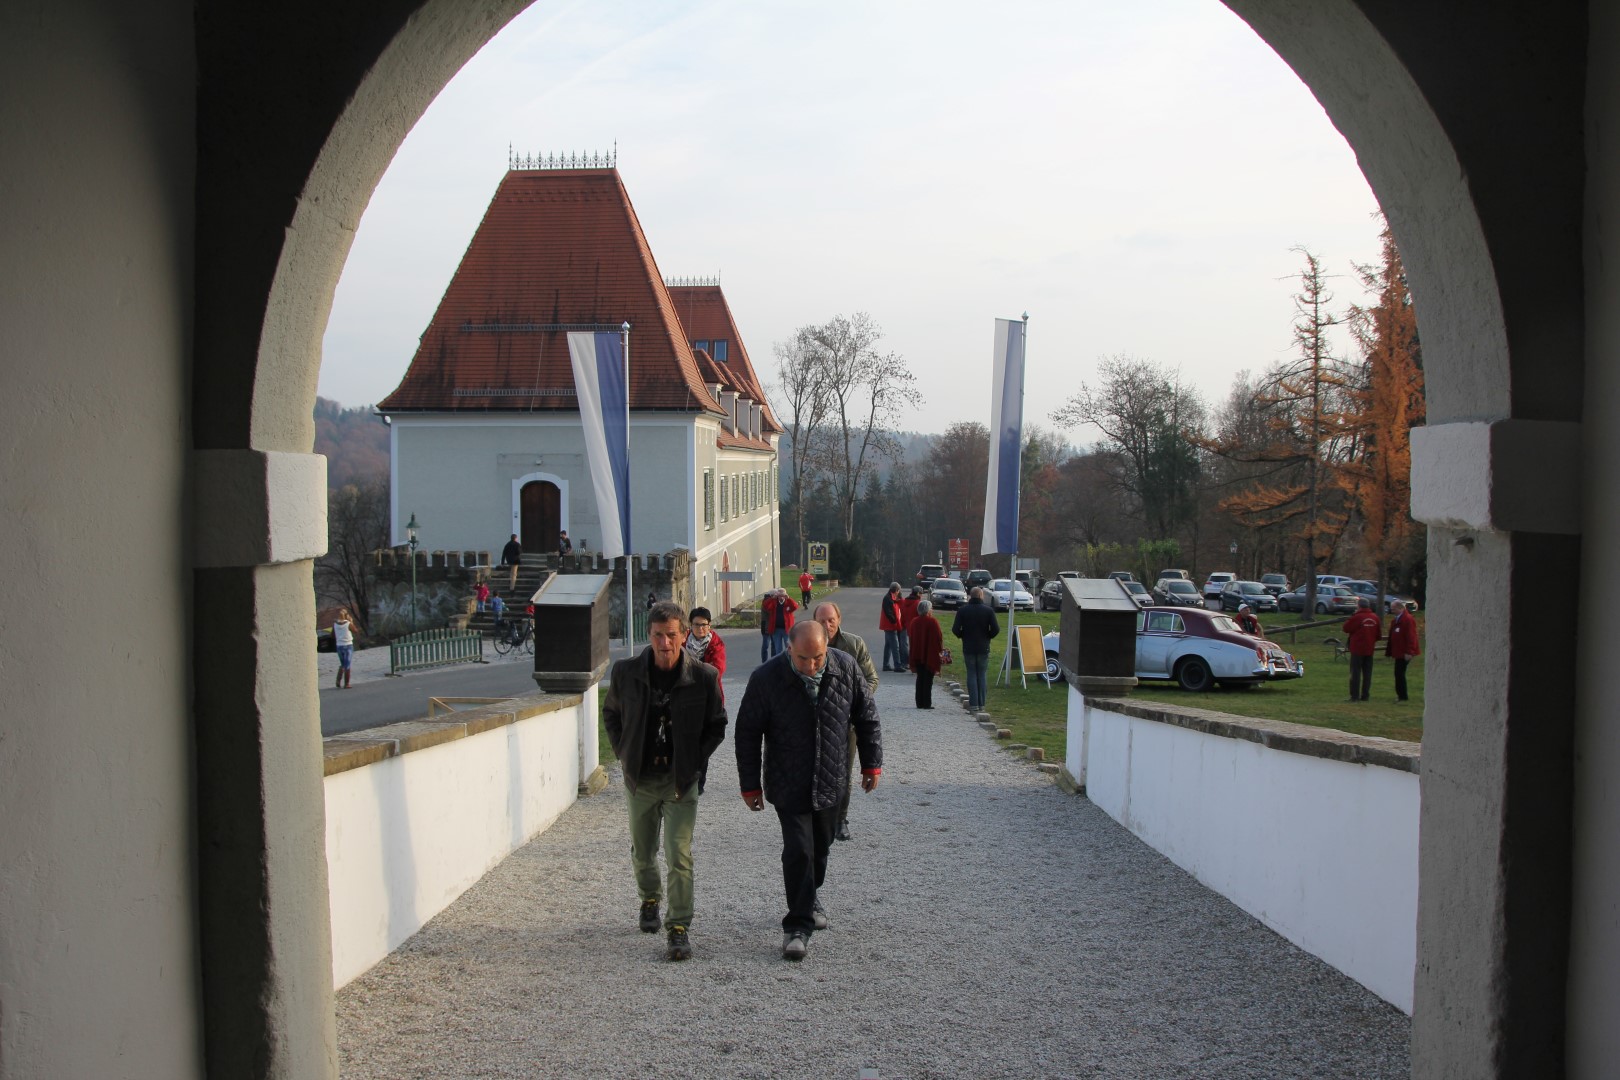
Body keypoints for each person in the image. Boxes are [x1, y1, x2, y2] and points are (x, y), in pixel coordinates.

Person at [735, 620, 881, 961]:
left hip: (831, 779)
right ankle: (797, 926)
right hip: (788, 781)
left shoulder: (845, 668)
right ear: (789, 649)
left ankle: (809, 893)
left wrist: (871, 763)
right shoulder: (766, 679)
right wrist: (749, 785)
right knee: (799, 850)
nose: (812, 665)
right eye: (803, 658)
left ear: (827, 647)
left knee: (820, 848)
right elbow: (747, 733)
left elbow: (867, 716)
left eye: (818, 658)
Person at [602, 601, 727, 962]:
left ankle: (678, 927)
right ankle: (649, 899)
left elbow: (717, 724)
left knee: (678, 853)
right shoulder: (626, 672)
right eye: (658, 635)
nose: (665, 643)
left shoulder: (703, 676)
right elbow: (611, 713)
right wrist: (624, 751)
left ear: (684, 635)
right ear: (649, 636)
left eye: (672, 635)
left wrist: (693, 760)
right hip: (640, 777)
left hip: (680, 781)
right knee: (643, 852)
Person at [813, 601, 879, 843]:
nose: (827, 625)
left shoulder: (854, 644)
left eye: (831, 620)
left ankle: (840, 819)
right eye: (822, 620)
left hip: (846, 722)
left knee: (843, 772)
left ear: (839, 620)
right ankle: (815, 818)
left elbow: (871, 678)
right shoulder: (805, 641)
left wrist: (855, 702)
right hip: (812, 722)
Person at [951, 586, 1000, 711]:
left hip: (968, 646)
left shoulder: (963, 610)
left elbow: (955, 629)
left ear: (970, 596)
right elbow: (996, 629)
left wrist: (963, 636)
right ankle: (982, 703)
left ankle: (974, 703)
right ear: (981, 596)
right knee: (982, 674)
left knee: (971, 674)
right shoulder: (988, 611)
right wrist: (988, 636)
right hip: (983, 646)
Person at [1342, 597, 1383, 702]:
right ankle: (1365, 695)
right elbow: (1378, 635)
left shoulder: (1357, 617)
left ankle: (1354, 696)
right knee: (1367, 673)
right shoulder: (1375, 617)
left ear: (1359, 606)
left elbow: (1346, 628)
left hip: (1357, 649)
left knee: (1355, 673)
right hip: (1369, 649)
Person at [908, 598, 944, 709]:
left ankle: (919, 702)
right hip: (929, 654)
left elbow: (911, 637)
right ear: (928, 610)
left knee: (920, 678)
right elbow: (938, 637)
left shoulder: (914, 621)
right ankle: (926, 703)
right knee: (928, 680)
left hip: (917, 653)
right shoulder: (932, 621)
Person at [684, 606, 727, 696]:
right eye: (696, 624)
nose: (700, 628)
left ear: (709, 625)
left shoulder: (716, 644)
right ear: (691, 625)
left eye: (703, 624)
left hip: (710, 691)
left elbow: (717, 670)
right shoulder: (682, 641)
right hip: (686, 690)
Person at [1386, 603, 1421, 703]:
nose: (1392, 611)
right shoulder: (1396, 620)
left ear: (1401, 608)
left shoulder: (1407, 619)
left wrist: (1409, 651)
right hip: (1399, 651)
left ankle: (1402, 696)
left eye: (1394, 609)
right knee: (1398, 673)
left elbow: (1411, 637)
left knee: (1399, 673)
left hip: (1404, 652)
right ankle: (1401, 695)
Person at [878, 582, 905, 672]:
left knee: (888, 645)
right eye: (898, 591)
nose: (899, 593)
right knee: (895, 646)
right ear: (896, 590)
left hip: (889, 625)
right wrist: (894, 621)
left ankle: (886, 665)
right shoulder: (888, 599)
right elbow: (888, 612)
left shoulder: (890, 597)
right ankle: (897, 665)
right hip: (890, 625)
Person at [899, 586, 923, 670]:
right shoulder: (918, 603)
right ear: (917, 593)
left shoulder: (905, 601)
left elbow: (901, 613)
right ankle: (913, 664)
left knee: (904, 645)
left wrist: (902, 623)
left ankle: (905, 662)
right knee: (915, 647)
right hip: (916, 628)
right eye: (921, 593)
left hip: (905, 625)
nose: (921, 595)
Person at [333, 608, 355, 689]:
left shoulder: (335, 624)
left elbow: (332, 634)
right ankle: (347, 683)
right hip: (348, 644)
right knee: (347, 665)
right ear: (346, 616)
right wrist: (351, 621)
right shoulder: (348, 624)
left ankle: (338, 681)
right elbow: (355, 630)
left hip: (339, 645)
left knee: (342, 664)